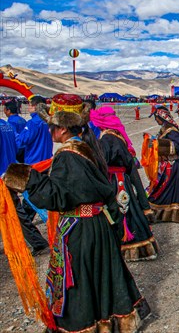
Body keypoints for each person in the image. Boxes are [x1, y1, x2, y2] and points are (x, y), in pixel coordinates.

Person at [2, 93, 150, 332]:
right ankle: (112, 319)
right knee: (101, 273)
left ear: (61, 129)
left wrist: (27, 178)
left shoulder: (67, 156)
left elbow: (58, 197)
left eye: (52, 127)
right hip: (98, 222)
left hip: (81, 226)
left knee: (79, 279)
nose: (50, 132)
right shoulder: (86, 148)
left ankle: (82, 325)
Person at [91, 106, 159, 261]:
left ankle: (122, 247)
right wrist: (144, 203)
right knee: (131, 211)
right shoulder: (119, 137)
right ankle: (141, 246)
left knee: (118, 213)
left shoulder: (106, 139)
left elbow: (102, 162)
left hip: (112, 182)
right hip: (124, 181)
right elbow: (131, 168)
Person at [1, 117, 49, 255]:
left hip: (3, 176)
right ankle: (36, 241)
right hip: (10, 172)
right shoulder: (7, 125)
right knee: (17, 211)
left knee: (16, 212)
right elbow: (18, 146)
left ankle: (36, 242)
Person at [15, 95, 53, 164]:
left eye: (29, 105)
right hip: (47, 160)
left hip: (34, 161)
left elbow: (23, 140)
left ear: (34, 106)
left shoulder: (33, 122)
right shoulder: (49, 121)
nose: (28, 108)